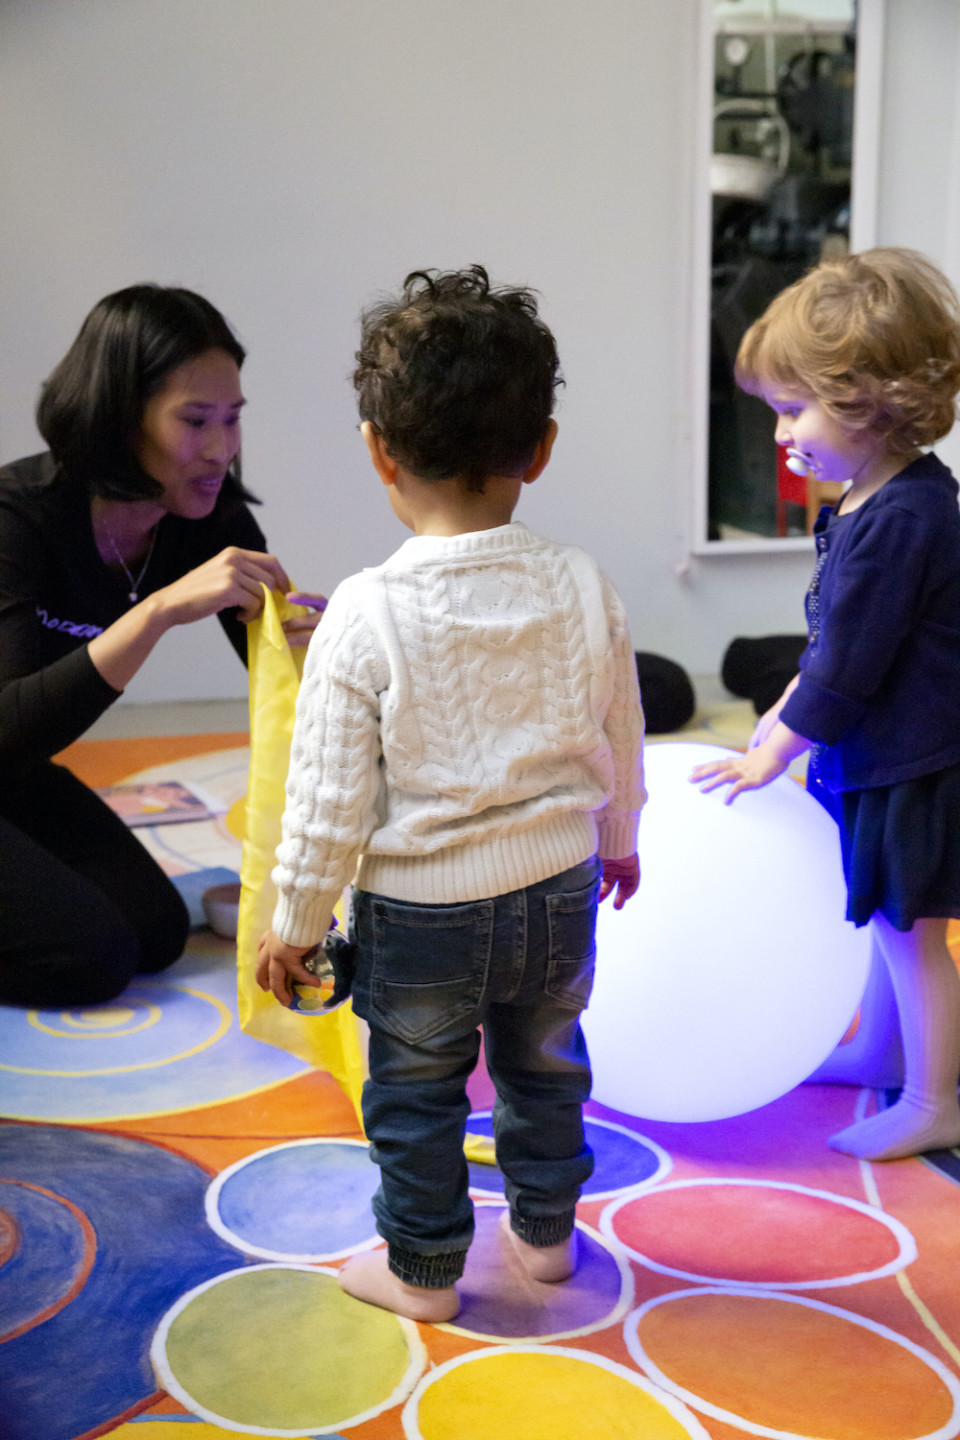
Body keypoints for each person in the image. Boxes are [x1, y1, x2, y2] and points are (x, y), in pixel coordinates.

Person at [257, 266, 645, 1322]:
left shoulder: (365, 613)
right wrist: (617, 837)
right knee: (548, 1071)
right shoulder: (581, 579)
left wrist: (292, 920)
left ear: (379, 450)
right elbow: (622, 724)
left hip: (424, 916)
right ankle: (547, 1239)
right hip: (561, 890)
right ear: (542, 446)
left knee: (417, 1098)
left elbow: (327, 800)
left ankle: (426, 1272)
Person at [691, 247, 960, 1162]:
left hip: (913, 764)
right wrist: (781, 717)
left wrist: (777, 749)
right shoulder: (862, 500)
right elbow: (831, 645)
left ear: (871, 400)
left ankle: (934, 1099)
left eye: (792, 411)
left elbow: (850, 661)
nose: (780, 436)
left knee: (910, 931)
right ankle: (887, 1053)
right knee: (886, 923)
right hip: (879, 756)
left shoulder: (908, 515)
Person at [0, 284, 324, 1009]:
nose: (221, 449)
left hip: (14, 778)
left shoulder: (209, 515)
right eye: (195, 420)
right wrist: (154, 615)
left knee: (155, 932)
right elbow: (9, 729)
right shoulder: (17, 518)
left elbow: (283, 697)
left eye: (234, 419)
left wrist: (318, 651)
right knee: (88, 959)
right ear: (120, 418)